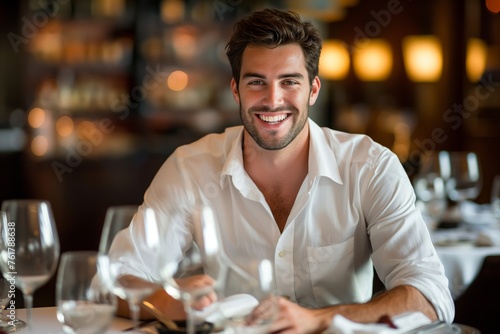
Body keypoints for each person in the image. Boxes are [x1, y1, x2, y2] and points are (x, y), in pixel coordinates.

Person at [109, 8, 454, 333]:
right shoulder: (191, 168)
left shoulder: (370, 167)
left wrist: (316, 320)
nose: (273, 100)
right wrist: (172, 304)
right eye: (256, 82)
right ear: (236, 91)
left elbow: (430, 295)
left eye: (289, 81)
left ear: (313, 90)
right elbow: (116, 280)